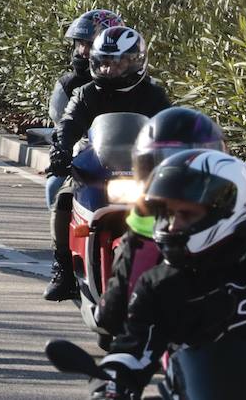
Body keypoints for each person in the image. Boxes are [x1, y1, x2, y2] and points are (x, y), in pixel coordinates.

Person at [94, 151, 246, 400]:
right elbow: (134, 347)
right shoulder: (158, 284)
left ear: (225, 209)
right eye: (168, 214)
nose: (173, 226)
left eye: (186, 214)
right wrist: (111, 383)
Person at [45, 24, 171, 301]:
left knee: (175, 209)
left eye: (117, 63)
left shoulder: (154, 96)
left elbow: (171, 128)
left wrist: (180, 153)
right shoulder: (86, 93)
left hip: (143, 170)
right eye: (102, 63)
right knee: (64, 198)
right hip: (95, 166)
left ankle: (175, 268)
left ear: (136, 62)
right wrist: (61, 150)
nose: (108, 70)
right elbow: (68, 124)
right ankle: (63, 268)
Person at [94, 106, 233, 338]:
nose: (178, 176)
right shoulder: (143, 230)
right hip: (178, 354)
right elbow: (114, 316)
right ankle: (63, 269)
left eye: (192, 162)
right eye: (165, 162)